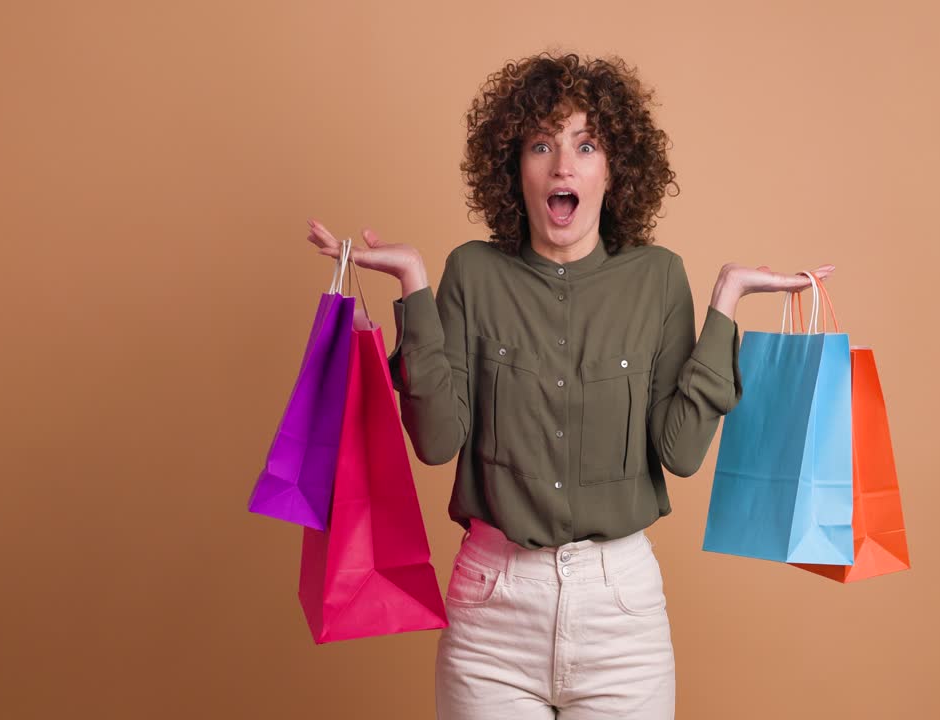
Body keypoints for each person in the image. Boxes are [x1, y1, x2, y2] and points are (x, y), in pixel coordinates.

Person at [306, 51, 833, 720]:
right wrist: (414, 286)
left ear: (613, 171)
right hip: (491, 615)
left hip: (623, 618)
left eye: (586, 145)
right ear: (514, 168)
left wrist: (725, 303)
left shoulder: (659, 280)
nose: (563, 165)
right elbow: (438, 444)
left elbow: (682, 452)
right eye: (541, 144)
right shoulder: (470, 274)